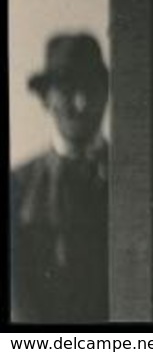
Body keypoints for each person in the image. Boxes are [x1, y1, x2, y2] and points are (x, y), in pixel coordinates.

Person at [10, 32, 111, 323]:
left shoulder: (139, 183)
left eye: (91, 89)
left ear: (106, 93)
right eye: (68, 90)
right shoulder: (17, 186)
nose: (80, 103)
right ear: (46, 98)